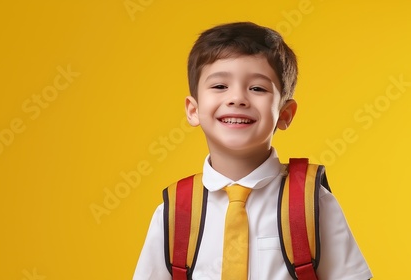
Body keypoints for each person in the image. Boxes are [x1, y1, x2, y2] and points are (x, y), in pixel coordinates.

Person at [133, 21, 372, 280]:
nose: (237, 98)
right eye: (219, 86)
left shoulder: (312, 203)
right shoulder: (174, 212)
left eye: (257, 88)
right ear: (194, 110)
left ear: (285, 114)